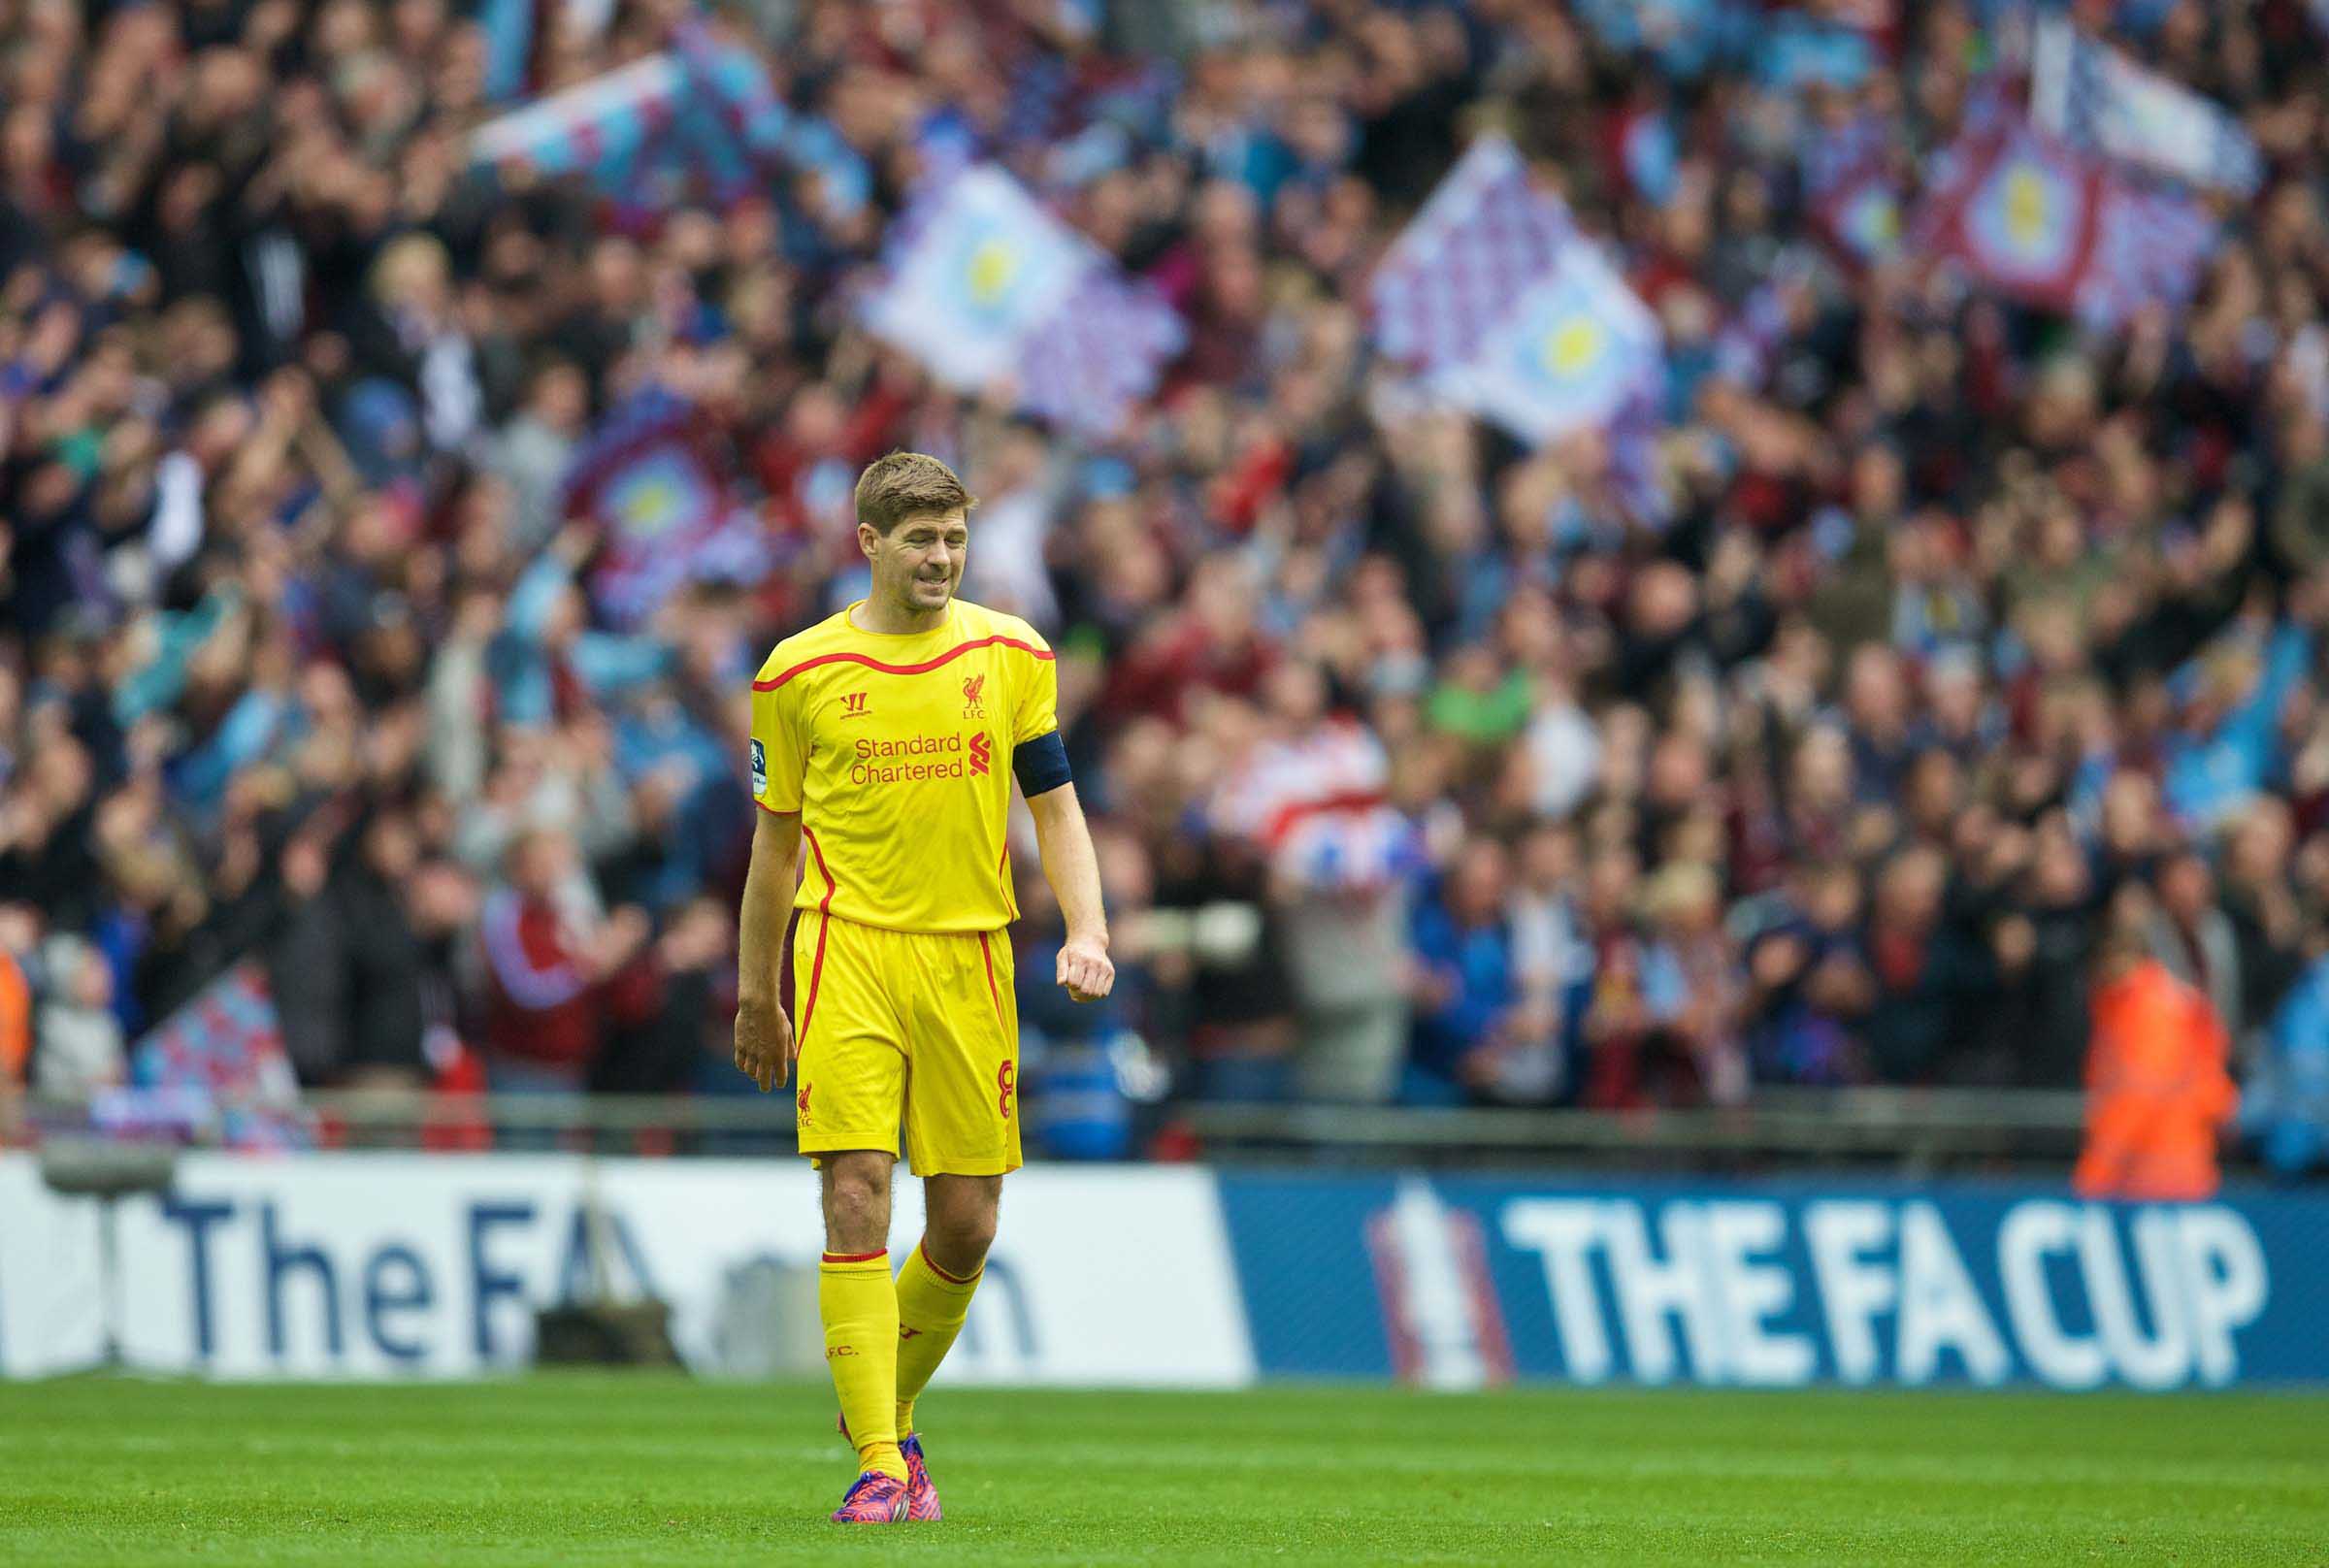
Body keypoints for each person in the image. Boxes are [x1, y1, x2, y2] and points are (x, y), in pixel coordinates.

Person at [732, 452, 1114, 1525]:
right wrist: (758, 995)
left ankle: (880, 1411)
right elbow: (772, 853)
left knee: (967, 1222)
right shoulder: (796, 674)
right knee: (857, 1184)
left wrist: (1087, 927)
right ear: (868, 542)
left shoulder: (1011, 652)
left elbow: (1056, 807)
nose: (941, 556)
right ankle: (880, 1468)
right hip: (844, 944)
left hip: (970, 957)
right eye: (920, 539)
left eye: (953, 537)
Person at [2074, 906, 2238, 1202]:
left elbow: (2138, 1094)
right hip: (2180, 1161)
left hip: (2152, 1170)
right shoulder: (2153, 1003)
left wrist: (2094, 1175)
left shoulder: (2148, 1011)